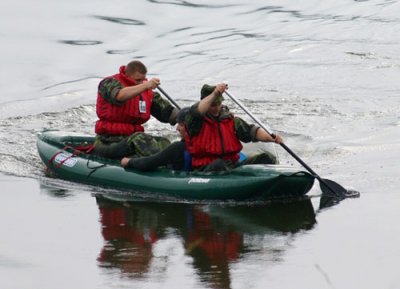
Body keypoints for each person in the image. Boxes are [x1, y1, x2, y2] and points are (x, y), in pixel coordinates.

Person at [184, 83, 283, 172]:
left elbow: (253, 132)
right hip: (207, 168)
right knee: (219, 164)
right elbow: (197, 111)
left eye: (219, 104)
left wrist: (272, 138)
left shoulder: (230, 120)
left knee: (267, 158)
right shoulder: (195, 121)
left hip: (232, 166)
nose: (217, 108)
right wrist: (215, 93)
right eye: (213, 105)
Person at [93, 60, 179, 159]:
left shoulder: (146, 91)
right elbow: (119, 96)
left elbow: (167, 112)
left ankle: (166, 165)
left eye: (143, 80)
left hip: (130, 137)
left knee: (163, 142)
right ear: (126, 74)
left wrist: (187, 115)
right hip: (107, 142)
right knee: (138, 139)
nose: (141, 83)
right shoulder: (108, 83)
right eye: (138, 80)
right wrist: (145, 85)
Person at [120, 107, 191, 171]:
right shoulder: (199, 145)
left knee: (136, 138)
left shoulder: (178, 148)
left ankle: (108, 152)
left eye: (181, 125)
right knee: (163, 141)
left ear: (192, 129)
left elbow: (150, 162)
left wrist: (129, 162)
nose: (177, 128)